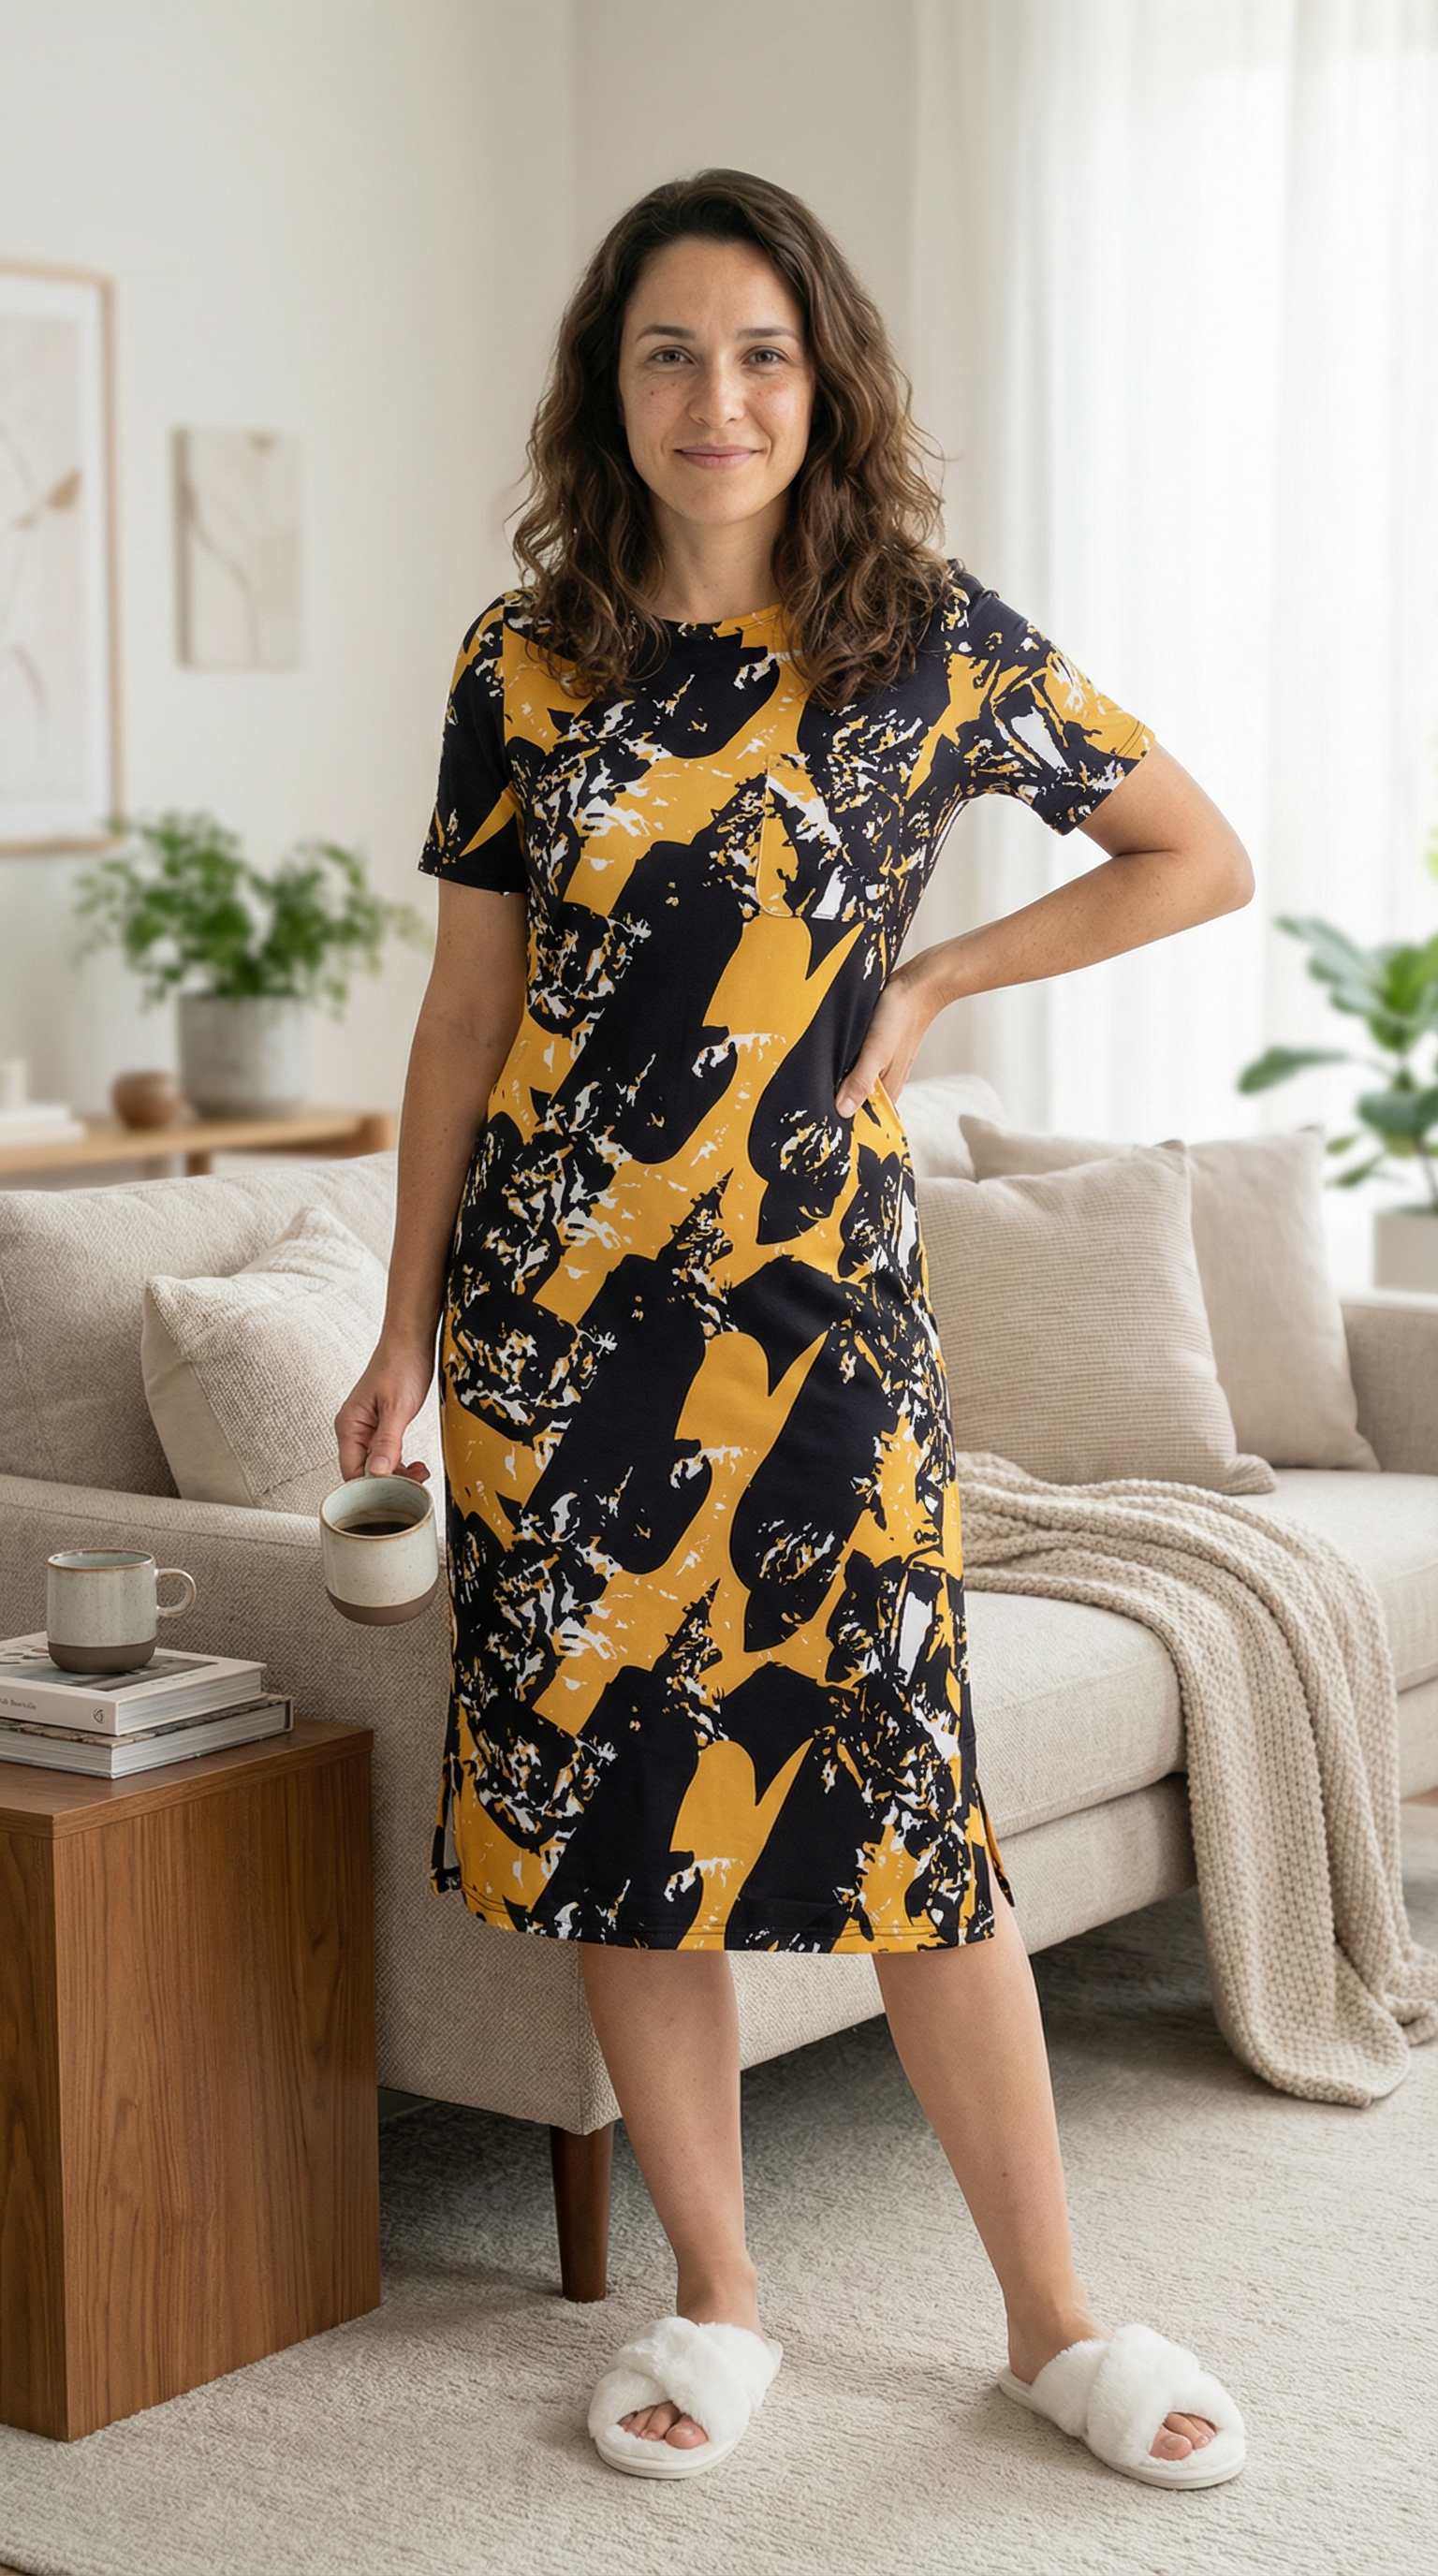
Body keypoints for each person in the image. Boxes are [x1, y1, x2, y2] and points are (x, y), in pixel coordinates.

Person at [337, 169, 1252, 2491]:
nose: (716, 396)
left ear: (819, 380)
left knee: (911, 1818)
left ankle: (1051, 2317)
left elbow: (1192, 851)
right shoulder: (518, 660)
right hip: (556, 1324)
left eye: (758, 352)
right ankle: (718, 2296)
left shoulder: (923, 641)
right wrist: (403, 1323)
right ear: (608, 389)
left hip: (824, 1316)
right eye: (669, 353)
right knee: (620, 1819)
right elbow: (464, 1013)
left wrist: (939, 973)